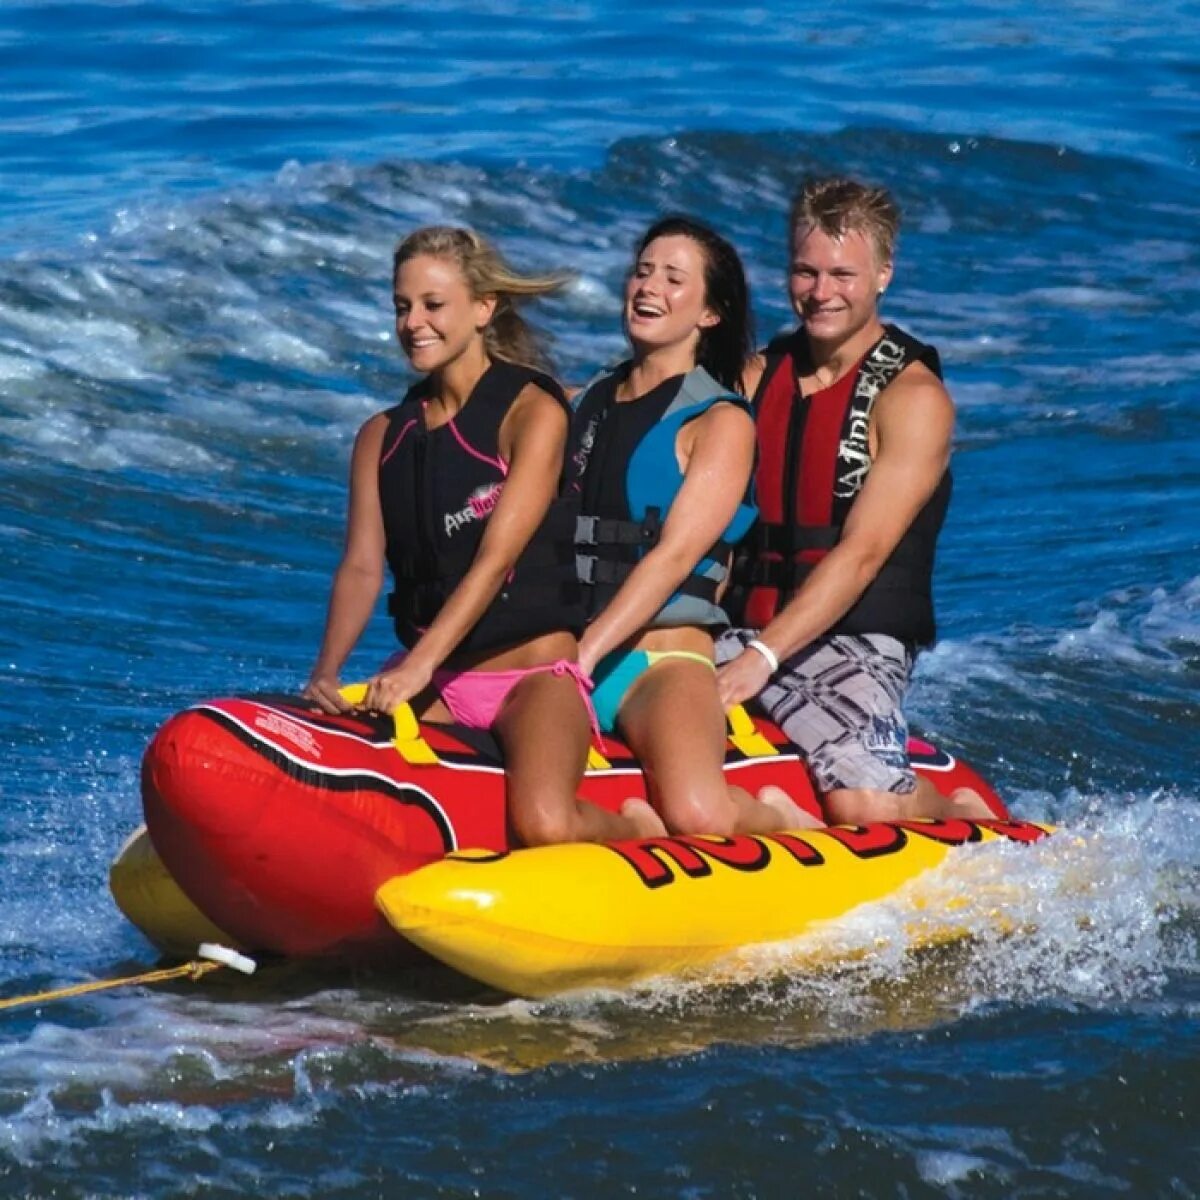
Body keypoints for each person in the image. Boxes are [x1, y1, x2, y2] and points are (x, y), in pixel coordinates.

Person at [304, 225, 664, 845]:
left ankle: (630, 825)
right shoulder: (380, 438)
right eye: (402, 306)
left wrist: (418, 667)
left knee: (543, 822)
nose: (413, 322)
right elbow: (362, 567)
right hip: (440, 679)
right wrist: (327, 675)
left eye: (433, 305)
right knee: (330, 807)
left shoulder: (531, 411)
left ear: (482, 309)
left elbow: (498, 559)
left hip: (531, 677)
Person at [716, 177, 994, 826]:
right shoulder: (758, 375)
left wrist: (761, 660)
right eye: (804, 271)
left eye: (842, 273)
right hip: (737, 623)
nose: (820, 292)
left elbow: (864, 554)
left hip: (852, 637)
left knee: (863, 804)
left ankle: (956, 811)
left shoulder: (914, 399)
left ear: (883, 275)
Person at [569, 215, 817, 836]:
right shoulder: (584, 400)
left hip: (660, 663)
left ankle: (775, 815)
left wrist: (584, 655)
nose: (649, 286)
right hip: (565, 648)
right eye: (643, 270)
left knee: (696, 813)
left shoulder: (718, 421)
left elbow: (675, 556)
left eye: (674, 278)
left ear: (710, 313)